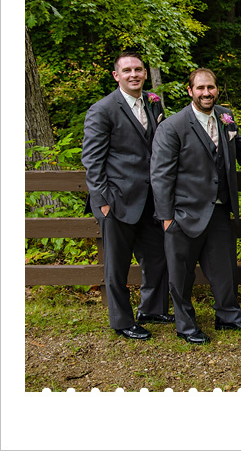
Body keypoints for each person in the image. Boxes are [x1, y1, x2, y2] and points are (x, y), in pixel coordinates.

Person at [151, 68, 241, 344]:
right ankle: (186, 325)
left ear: (216, 89)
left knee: (224, 268)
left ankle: (228, 316)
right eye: (200, 88)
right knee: (182, 273)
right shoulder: (173, 126)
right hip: (183, 212)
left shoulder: (226, 117)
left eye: (210, 87)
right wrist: (166, 217)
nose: (206, 93)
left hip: (220, 209)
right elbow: (161, 174)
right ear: (190, 91)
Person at [82, 52, 172, 340]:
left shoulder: (153, 103)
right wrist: (102, 202)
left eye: (139, 69)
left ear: (145, 73)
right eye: (127, 70)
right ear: (116, 76)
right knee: (117, 265)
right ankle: (122, 321)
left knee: (158, 256)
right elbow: (92, 160)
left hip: (150, 199)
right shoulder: (103, 109)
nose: (134, 74)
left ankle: (152, 308)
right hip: (117, 200)